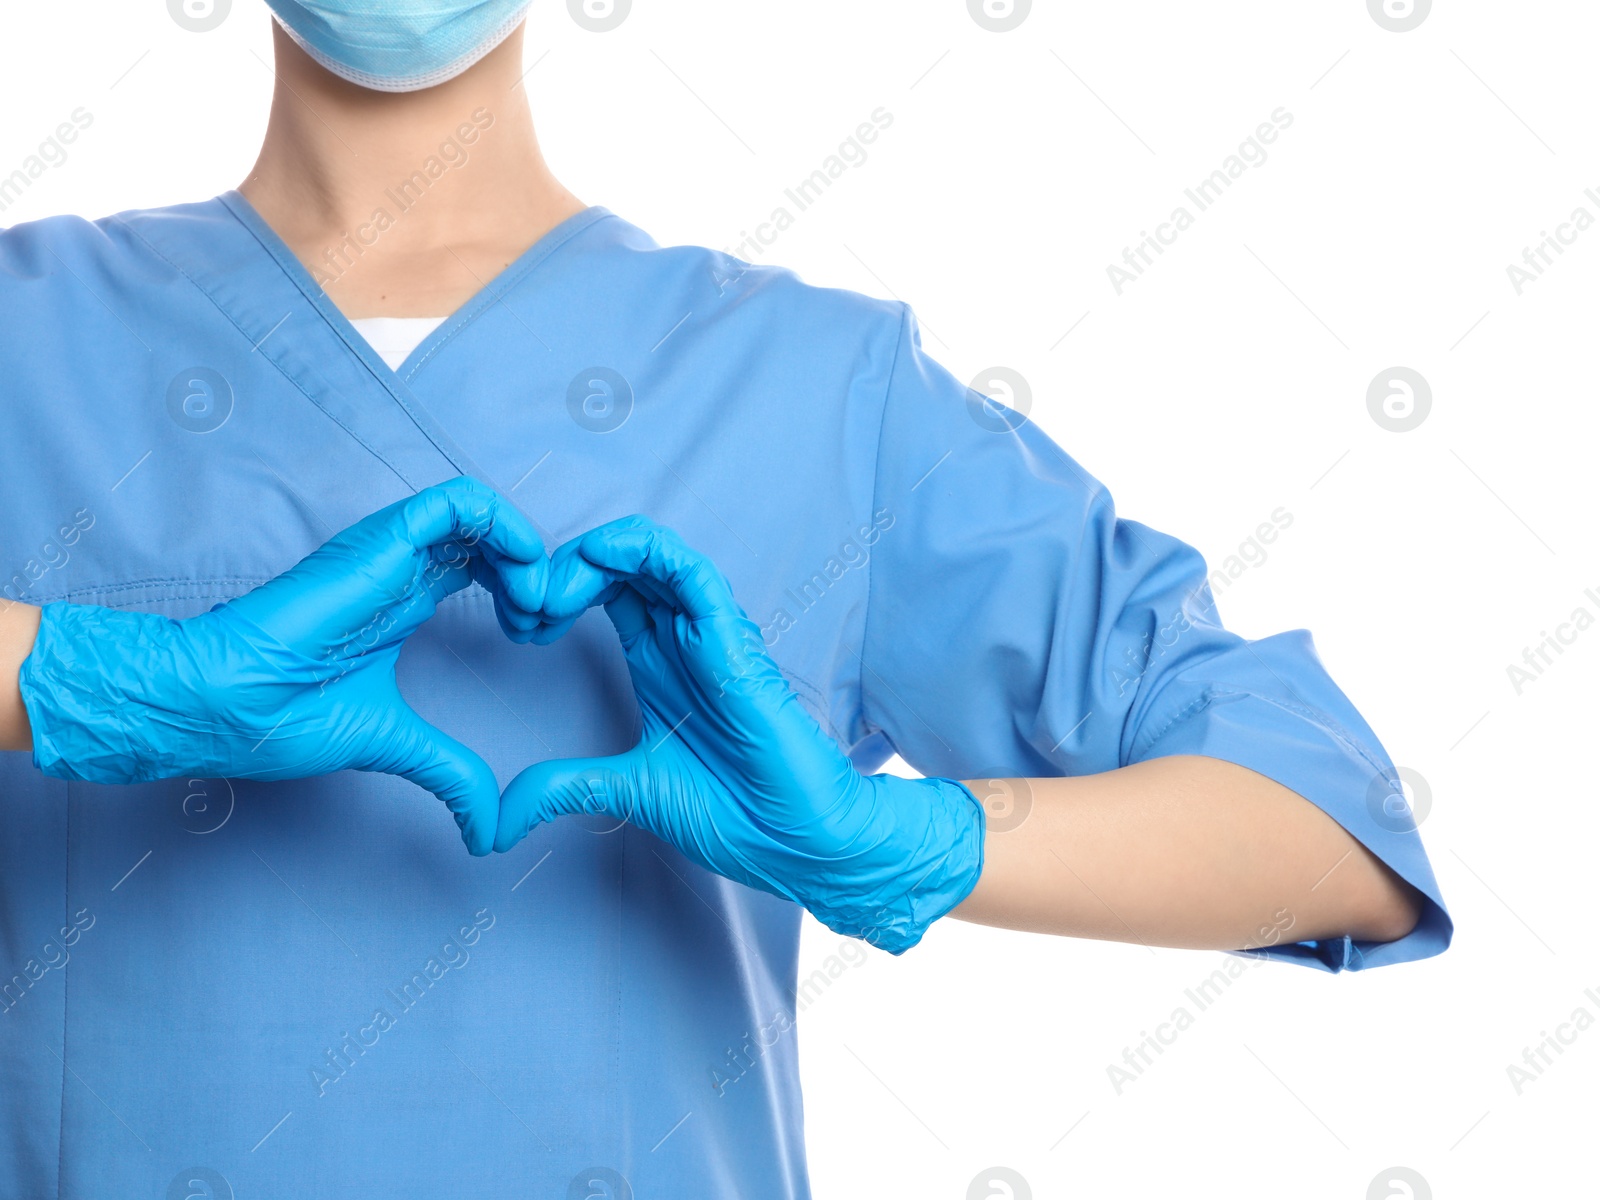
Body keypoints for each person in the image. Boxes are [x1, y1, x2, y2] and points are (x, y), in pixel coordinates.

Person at [0, 3, 1450, 1195]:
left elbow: (1328, 826)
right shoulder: (28, 336)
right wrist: (73, 682)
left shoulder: (819, 391)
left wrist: (899, 840)